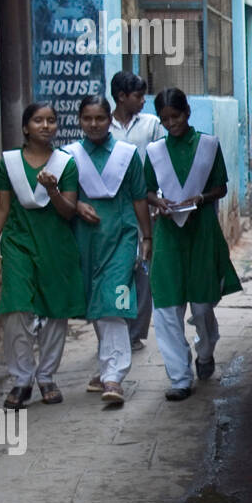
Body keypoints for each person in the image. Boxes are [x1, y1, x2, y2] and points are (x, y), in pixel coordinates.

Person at [0, 103, 86, 409]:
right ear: (26, 127)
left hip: (56, 245)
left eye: (51, 120)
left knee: (55, 310)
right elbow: (2, 207)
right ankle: (21, 378)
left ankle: (47, 376)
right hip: (18, 243)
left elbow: (69, 211)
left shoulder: (66, 164)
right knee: (16, 308)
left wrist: (53, 191)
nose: (45, 126)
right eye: (38, 120)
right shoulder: (9, 163)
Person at [143, 88, 242, 401]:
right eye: (165, 119)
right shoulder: (155, 151)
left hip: (201, 232)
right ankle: (179, 378)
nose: (171, 123)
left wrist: (201, 197)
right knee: (167, 306)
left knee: (202, 305)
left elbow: (221, 187)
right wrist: (159, 202)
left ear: (187, 112)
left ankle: (206, 348)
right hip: (168, 234)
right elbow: (147, 190)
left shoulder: (208, 145)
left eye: (176, 116)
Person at [67, 95, 152, 406]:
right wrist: (77, 205)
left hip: (121, 239)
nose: (94, 124)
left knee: (115, 302)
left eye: (100, 118)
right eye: (87, 118)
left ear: (109, 119)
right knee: (97, 303)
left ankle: (114, 375)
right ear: (79, 120)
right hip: (85, 242)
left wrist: (147, 236)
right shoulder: (69, 157)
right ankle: (106, 367)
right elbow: (63, 198)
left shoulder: (127, 155)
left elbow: (139, 197)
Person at [109, 71, 164, 351]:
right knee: (118, 269)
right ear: (122, 97)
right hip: (114, 209)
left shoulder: (152, 125)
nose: (143, 101)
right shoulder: (104, 127)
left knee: (143, 270)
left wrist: (159, 198)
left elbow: (162, 163)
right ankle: (117, 326)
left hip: (145, 205)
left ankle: (135, 332)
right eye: (138, 96)